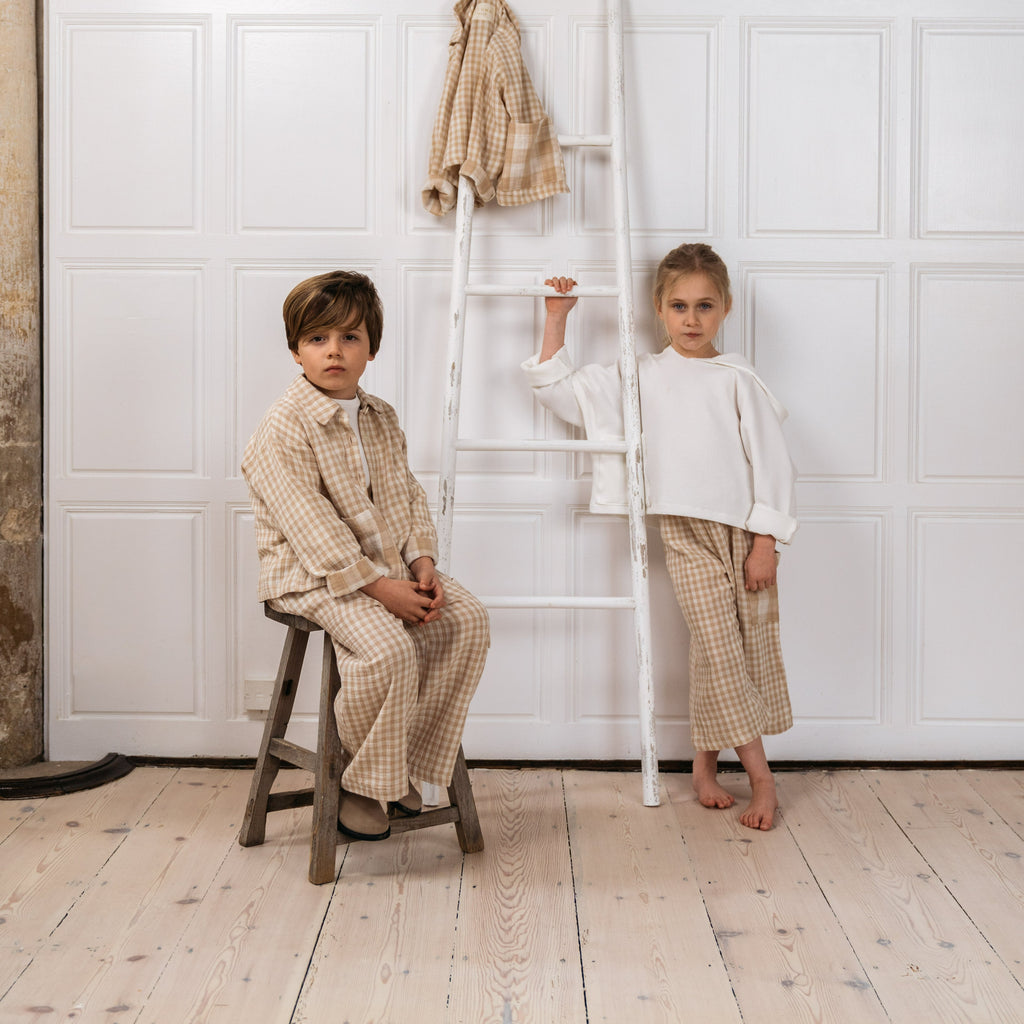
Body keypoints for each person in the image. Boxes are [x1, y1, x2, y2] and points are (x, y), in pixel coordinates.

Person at [522, 244, 797, 830]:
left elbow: (772, 462)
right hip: (682, 530)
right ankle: (763, 779)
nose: (691, 319)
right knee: (719, 647)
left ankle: (703, 766)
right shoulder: (640, 371)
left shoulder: (737, 377)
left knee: (729, 650)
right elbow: (562, 395)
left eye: (704, 306)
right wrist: (556, 318)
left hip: (743, 533)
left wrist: (766, 541)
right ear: (658, 308)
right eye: (678, 306)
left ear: (725, 308)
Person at [242, 270, 490, 841]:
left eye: (349, 338)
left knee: (468, 620)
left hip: (384, 566)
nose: (334, 351)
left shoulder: (379, 416)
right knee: (387, 651)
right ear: (295, 348)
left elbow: (407, 494)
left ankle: (395, 768)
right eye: (318, 339)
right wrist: (382, 588)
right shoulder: (281, 427)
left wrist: (422, 562)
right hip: (309, 575)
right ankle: (361, 781)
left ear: (371, 348)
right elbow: (312, 529)